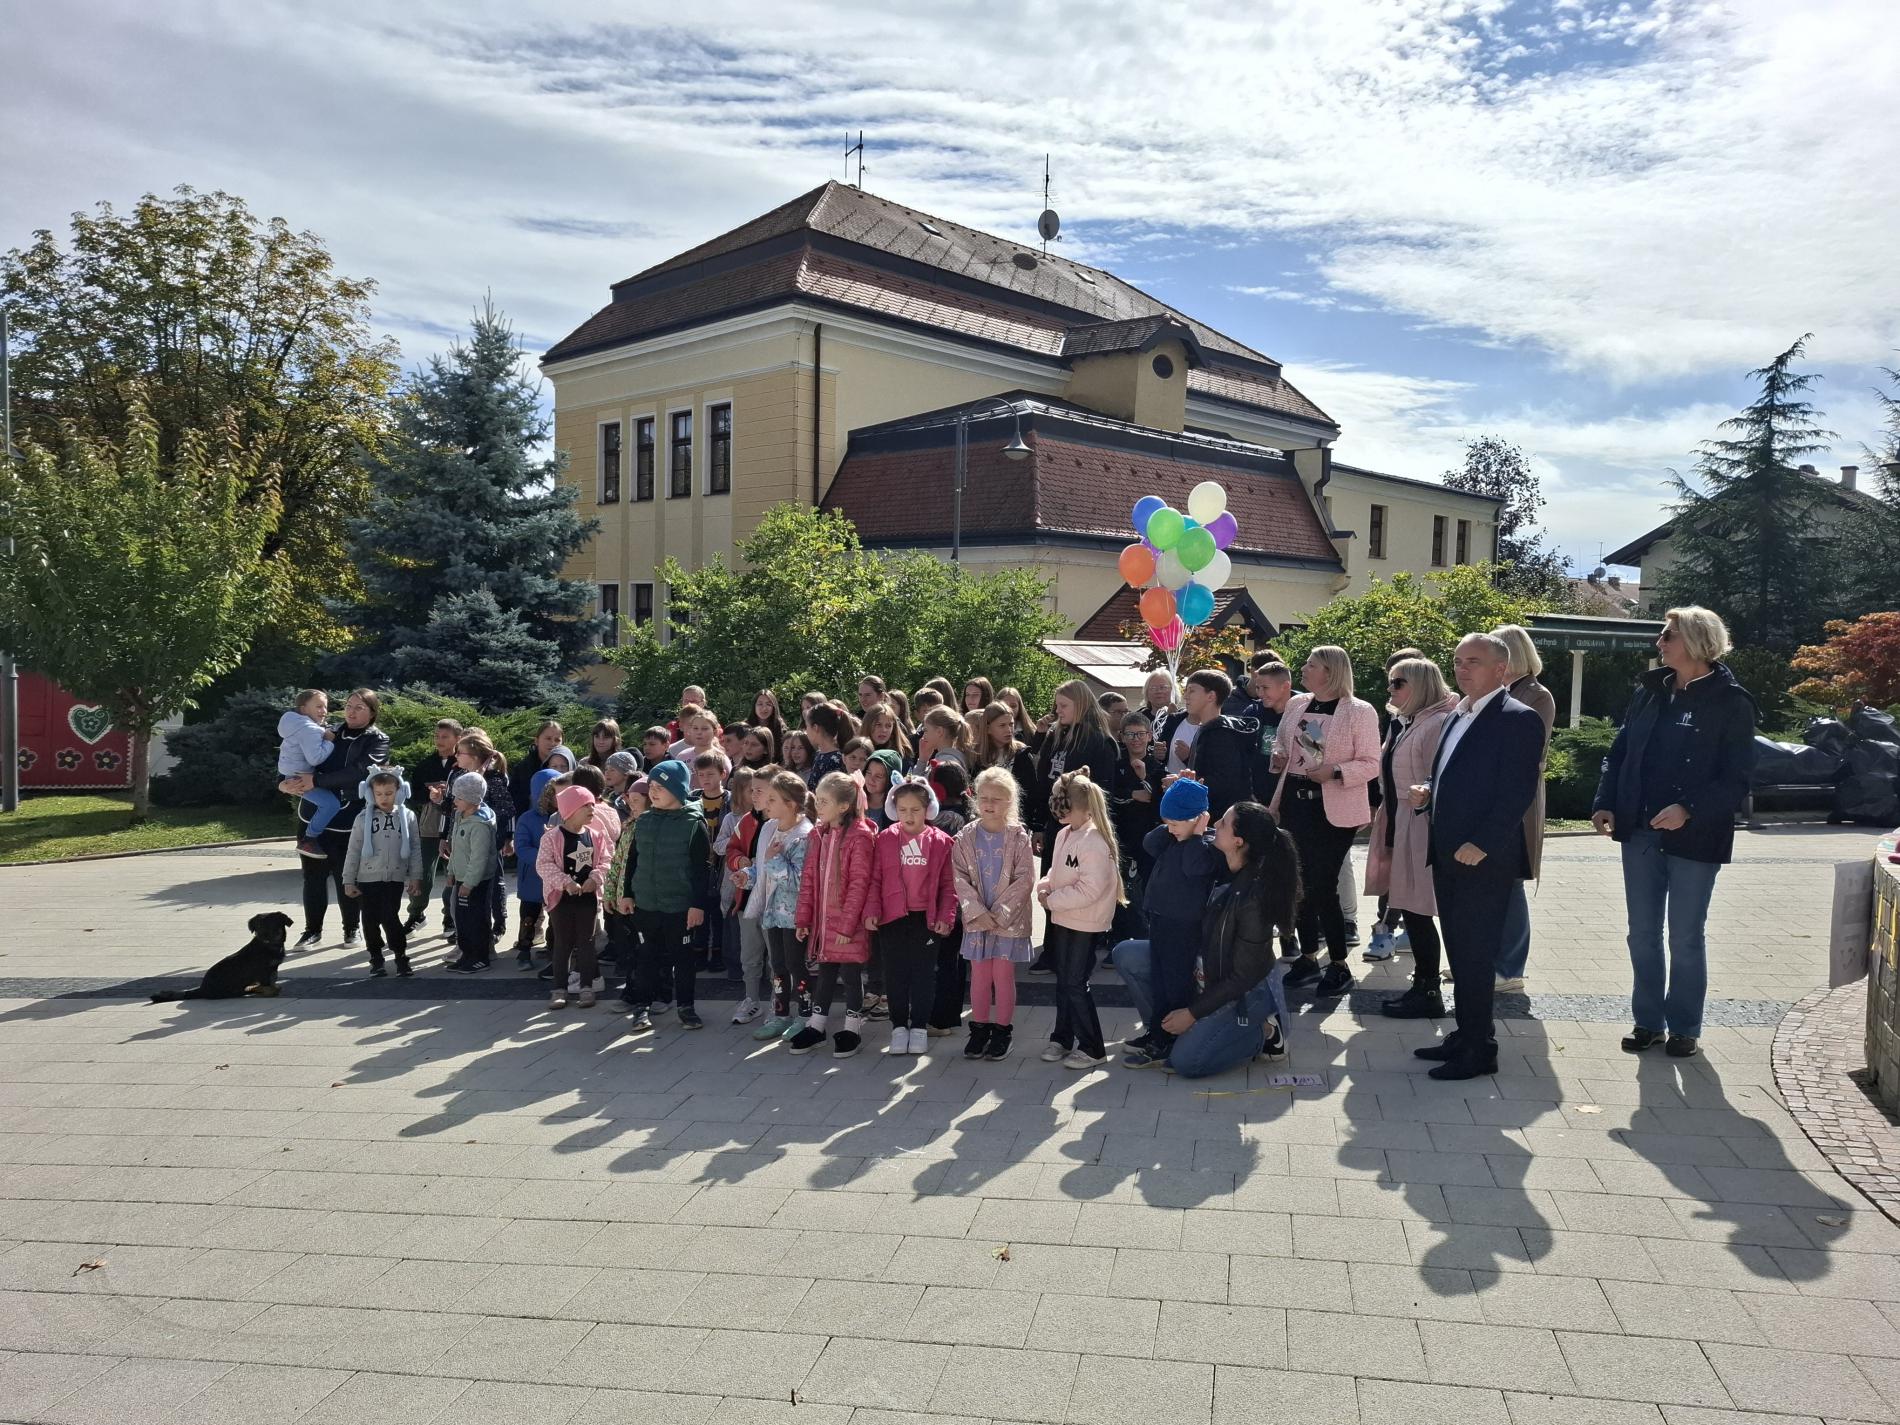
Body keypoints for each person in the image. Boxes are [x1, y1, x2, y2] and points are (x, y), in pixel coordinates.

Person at [1592, 606, 1756, 1060]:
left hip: (1696, 836)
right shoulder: (1649, 692)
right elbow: (1620, 752)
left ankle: (1685, 1026)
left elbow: (1738, 778)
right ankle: (1648, 1022)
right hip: (1639, 831)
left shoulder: (1732, 701)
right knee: (1641, 933)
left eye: (1668, 636)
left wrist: (1688, 809)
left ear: (1698, 642)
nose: (1659, 643)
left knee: (1685, 935)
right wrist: (1605, 800)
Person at [1412, 633, 1546, 1080]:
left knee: (1476, 953)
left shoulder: (1518, 718)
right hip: (1447, 853)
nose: (1462, 668)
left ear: (1501, 669)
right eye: (1457, 661)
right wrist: (1428, 792)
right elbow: (1456, 775)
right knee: (1460, 950)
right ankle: (1468, 1033)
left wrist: (1483, 842)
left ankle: (1480, 1051)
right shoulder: (1458, 713)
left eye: (1473, 661)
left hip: (1483, 859)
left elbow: (1517, 791)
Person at [1114, 802, 1298, 1077]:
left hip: (1240, 993)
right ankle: (1162, 1032)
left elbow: (1242, 977)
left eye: (1223, 822)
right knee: (1127, 955)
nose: (1213, 824)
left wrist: (1192, 1013)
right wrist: (1179, 812)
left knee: (1187, 1062)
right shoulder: (1207, 852)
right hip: (1198, 965)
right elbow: (1155, 843)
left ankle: (1265, 1032)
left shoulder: (1254, 897)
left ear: (1238, 841)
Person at [1266, 646, 1379, 998]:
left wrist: (1336, 771)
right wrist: (1279, 756)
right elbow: (1281, 745)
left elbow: (1371, 763)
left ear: (1329, 671)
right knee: (1298, 882)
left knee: (1323, 884)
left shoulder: (1359, 711)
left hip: (1332, 809)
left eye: (1310, 664)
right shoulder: (1298, 704)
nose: (1303, 668)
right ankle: (1309, 957)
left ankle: (1340, 964)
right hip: (1295, 805)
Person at [1364, 658, 1458, 1018]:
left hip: (1420, 823)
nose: (1390, 689)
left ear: (1420, 685)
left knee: (1418, 908)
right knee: (1410, 906)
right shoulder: (1408, 721)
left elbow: (1443, 777)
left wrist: (1425, 795)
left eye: (1398, 682)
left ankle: (1428, 990)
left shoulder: (1435, 723)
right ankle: (1423, 987)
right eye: (1391, 681)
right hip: (1402, 819)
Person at [1113, 777, 1224, 1068]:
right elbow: (1149, 843)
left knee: (1176, 985)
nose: (1171, 828)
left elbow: (1194, 867)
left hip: (1184, 927)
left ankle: (1173, 1039)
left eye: (1176, 823)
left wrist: (1196, 834)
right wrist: (1171, 825)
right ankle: (1158, 1031)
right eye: (1168, 823)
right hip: (1161, 920)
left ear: (1198, 819)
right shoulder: (1171, 838)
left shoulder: (1206, 845)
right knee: (1160, 982)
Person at [286, 689, 390, 950]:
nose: (351, 712)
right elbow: (294, 756)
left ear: (372, 713)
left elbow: (360, 772)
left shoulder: (377, 740)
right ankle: (312, 931)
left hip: (349, 817)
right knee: (313, 877)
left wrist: (317, 781)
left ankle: (352, 929)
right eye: (349, 706)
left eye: (359, 707)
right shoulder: (326, 731)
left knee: (348, 876)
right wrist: (283, 783)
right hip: (314, 816)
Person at [1035, 770, 1124, 1070]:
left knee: (1074, 982)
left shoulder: (1094, 841)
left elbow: (1090, 889)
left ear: (1083, 808)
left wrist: (1052, 900)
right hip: (1065, 917)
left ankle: (1092, 1047)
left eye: (1064, 806)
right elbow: (1056, 872)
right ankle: (1062, 1037)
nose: (1058, 811)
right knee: (1064, 981)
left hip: (1085, 922)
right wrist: (1045, 887)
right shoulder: (1065, 833)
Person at [789, 770, 878, 1057]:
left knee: (851, 975)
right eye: (818, 799)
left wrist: (847, 926)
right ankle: (817, 1026)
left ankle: (852, 1028)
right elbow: (809, 880)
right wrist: (803, 919)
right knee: (825, 973)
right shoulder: (819, 834)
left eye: (824, 801)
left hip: (847, 926)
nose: (818, 805)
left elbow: (859, 884)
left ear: (843, 806)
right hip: (823, 924)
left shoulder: (860, 837)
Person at [868, 777, 958, 1055]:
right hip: (892, 919)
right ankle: (898, 1027)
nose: (909, 815)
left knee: (923, 974)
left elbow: (949, 885)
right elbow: (875, 879)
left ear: (927, 809)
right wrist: (872, 910)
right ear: (894, 809)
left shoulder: (941, 842)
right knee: (895, 974)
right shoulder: (885, 839)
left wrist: (946, 915)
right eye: (903, 809)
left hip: (926, 919)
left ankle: (919, 1027)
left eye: (915, 810)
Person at [619, 758, 711, 1031]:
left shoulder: (693, 823)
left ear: (678, 789)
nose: (654, 792)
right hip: (646, 903)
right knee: (646, 957)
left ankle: (686, 1007)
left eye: (660, 787)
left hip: (679, 906)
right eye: (651, 786)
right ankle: (642, 1007)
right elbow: (633, 860)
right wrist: (627, 893)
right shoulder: (644, 821)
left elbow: (702, 869)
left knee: (683, 958)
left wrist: (697, 905)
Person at [1491, 624, 1558, 994]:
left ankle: (1510, 968)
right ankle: (1488, 960)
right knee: (1491, 882)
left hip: (1518, 801)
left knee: (1511, 880)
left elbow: (1528, 752)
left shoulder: (1537, 695)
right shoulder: (1495, 691)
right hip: (1489, 799)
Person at [954, 767, 1036, 1062]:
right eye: (984, 797)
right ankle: (979, 1029)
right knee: (979, 974)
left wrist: (1000, 913)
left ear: (1009, 802)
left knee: (1002, 974)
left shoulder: (1018, 837)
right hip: (978, 919)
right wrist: (978, 912)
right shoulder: (965, 836)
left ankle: (1002, 1031)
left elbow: (1025, 878)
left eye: (997, 799)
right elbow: (959, 877)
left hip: (1008, 921)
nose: (989, 804)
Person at [538, 783, 616, 1009]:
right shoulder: (552, 837)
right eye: (586, 806)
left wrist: (595, 878)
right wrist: (566, 882)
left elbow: (606, 860)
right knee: (562, 943)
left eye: (593, 805)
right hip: (561, 899)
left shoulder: (596, 836)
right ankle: (559, 989)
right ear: (570, 810)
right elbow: (543, 865)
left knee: (587, 942)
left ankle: (587, 986)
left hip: (587, 899)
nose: (592, 809)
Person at [341, 767, 424, 977]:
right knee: (369, 919)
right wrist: (348, 880)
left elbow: (415, 848)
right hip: (367, 879)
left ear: (400, 792)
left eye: (389, 793)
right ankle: (376, 958)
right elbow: (353, 850)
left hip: (394, 878)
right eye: (378, 794)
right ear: (370, 794)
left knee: (390, 917)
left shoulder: (408, 817)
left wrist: (416, 877)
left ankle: (401, 956)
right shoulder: (362, 818)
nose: (384, 798)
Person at [751, 769, 815, 1042]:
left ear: (789, 804)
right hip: (773, 913)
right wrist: (748, 876)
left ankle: (806, 1014)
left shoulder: (805, 835)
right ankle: (780, 1014)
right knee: (777, 964)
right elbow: (764, 868)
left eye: (772, 799)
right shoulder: (770, 828)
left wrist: (773, 860)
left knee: (796, 964)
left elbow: (800, 881)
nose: (766, 804)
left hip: (795, 916)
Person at [1030, 679, 1119, 870]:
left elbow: (1103, 793)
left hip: (1083, 830)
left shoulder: (1100, 742)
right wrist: (1038, 825)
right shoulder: (1054, 736)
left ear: (1081, 705)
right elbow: (1043, 782)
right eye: (1057, 705)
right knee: (1050, 883)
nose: (1058, 711)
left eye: (1063, 706)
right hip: (1054, 827)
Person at [1156, 669, 1263, 818]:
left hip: (1221, 818)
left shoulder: (1221, 733)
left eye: (1192, 690)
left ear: (1211, 696)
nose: (1186, 696)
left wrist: (1181, 783)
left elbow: (1224, 782)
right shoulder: (1207, 729)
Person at [446, 731, 515, 953]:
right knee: (459, 901)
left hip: (484, 846)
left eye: (460, 752)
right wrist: (446, 833)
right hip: (461, 844)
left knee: (484, 896)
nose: (456, 756)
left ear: (474, 756)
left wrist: (488, 824)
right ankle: (465, 942)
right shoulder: (459, 776)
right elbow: (451, 810)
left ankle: (488, 939)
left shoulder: (493, 778)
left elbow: (507, 809)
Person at [406, 717, 463, 933]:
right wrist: (430, 794)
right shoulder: (425, 764)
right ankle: (416, 914)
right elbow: (414, 796)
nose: (439, 740)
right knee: (422, 871)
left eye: (445, 737)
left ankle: (451, 916)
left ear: (458, 738)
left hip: (456, 825)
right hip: (430, 824)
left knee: (453, 872)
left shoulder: (463, 764)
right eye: (437, 736)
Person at [723, 767, 770, 1024]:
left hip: (776, 903)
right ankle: (751, 999)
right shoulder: (746, 821)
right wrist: (739, 860)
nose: (754, 795)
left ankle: (780, 1003)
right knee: (749, 955)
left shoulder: (787, 823)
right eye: (752, 790)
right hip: (748, 898)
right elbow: (732, 849)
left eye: (759, 790)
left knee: (778, 958)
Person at [445, 771, 499, 971]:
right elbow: (456, 849)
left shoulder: (479, 825)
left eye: (459, 798)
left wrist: (469, 883)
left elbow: (479, 858)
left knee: (476, 920)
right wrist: (451, 871)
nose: (455, 801)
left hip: (476, 882)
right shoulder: (460, 816)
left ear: (472, 799)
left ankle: (480, 957)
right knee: (462, 919)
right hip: (462, 878)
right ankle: (466, 954)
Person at [277, 689, 340, 858]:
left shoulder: (293, 724)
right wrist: (329, 741)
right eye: (319, 706)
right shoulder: (309, 729)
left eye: (325, 707)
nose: (324, 711)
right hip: (299, 778)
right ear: (304, 709)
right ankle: (309, 839)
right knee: (331, 805)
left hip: (290, 774)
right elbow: (315, 758)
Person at [511, 768, 563, 968]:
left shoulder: (565, 817)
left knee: (556, 917)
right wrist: (546, 859)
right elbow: (522, 847)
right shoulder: (527, 818)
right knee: (528, 916)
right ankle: (524, 950)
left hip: (555, 879)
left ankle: (554, 949)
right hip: (532, 878)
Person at [691, 752, 731, 973]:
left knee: (718, 911)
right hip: (699, 864)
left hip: (722, 864)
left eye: (710, 774)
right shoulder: (692, 799)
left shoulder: (730, 800)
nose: (705, 779)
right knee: (700, 907)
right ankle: (698, 951)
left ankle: (717, 953)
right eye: (701, 774)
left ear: (723, 774)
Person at [510, 720, 565, 817]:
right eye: (548, 738)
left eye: (557, 740)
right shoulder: (523, 769)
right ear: (536, 741)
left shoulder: (569, 765)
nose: (552, 743)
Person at [913, 706, 973, 770]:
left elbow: (917, 777)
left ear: (939, 732)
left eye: (925, 730)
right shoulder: (946, 759)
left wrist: (922, 761)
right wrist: (923, 759)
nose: (923, 736)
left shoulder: (945, 765)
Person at [806, 703, 853, 781]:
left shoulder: (836, 760)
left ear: (815, 727)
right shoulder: (819, 754)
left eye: (807, 726)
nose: (806, 731)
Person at [863, 750, 900, 829]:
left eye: (878, 776)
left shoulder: (898, 809)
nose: (871, 779)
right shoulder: (854, 799)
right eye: (869, 773)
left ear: (890, 780)